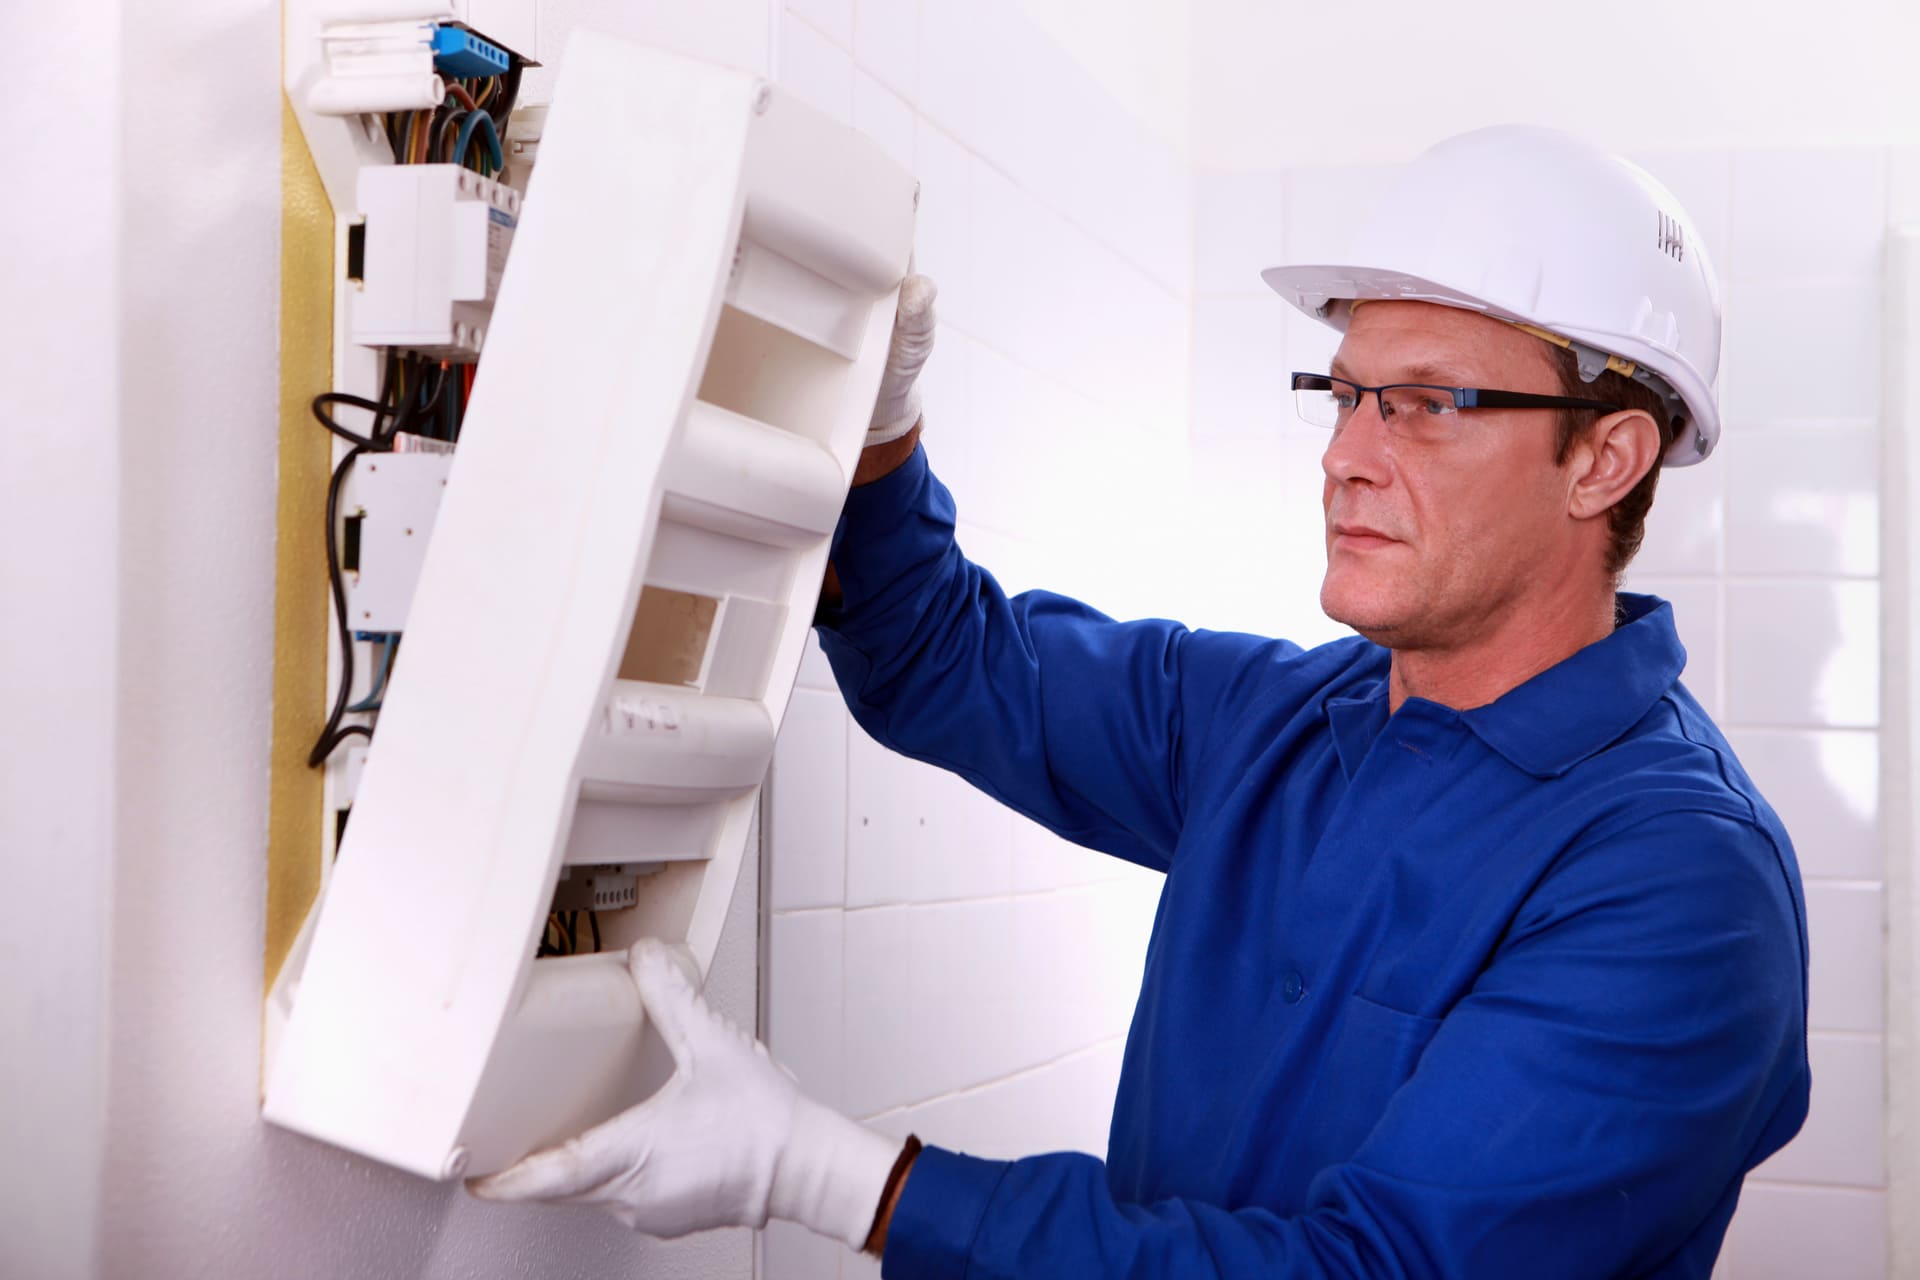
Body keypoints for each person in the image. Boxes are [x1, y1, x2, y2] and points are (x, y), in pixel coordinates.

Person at [470, 125, 1810, 1278]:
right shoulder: (1284, 724)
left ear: (1604, 459)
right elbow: (953, 661)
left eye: (1426, 406)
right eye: (1344, 397)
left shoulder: (1681, 883)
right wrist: (876, 427)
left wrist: (843, 1181)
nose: (1344, 458)